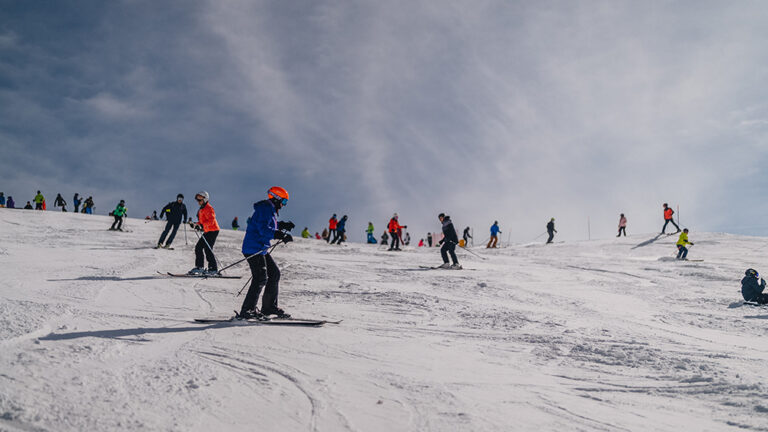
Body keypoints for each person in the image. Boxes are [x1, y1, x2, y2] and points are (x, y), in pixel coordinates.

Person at [238, 186, 294, 320]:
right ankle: (247, 310)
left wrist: (282, 225)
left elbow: (269, 224)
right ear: (277, 198)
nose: (284, 205)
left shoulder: (269, 209)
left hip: (260, 248)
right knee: (260, 278)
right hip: (253, 248)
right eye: (284, 201)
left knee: (274, 274)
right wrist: (279, 234)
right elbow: (263, 228)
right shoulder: (265, 208)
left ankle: (268, 307)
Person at [189, 191, 220, 275]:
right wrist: (195, 224)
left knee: (208, 249)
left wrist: (202, 226)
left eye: (200, 200)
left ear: (205, 199)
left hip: (213, 230)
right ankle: (200, 267)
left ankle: (213, 269)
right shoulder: (201, 210)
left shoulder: (209, 208)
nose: (198, 202)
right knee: (198, 247)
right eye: (197, 200)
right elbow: (201, 222)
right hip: (207, 230)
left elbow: (211, 221)